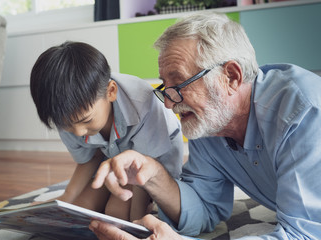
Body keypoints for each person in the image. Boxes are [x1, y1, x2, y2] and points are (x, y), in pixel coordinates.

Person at [89, 11, 321, 239]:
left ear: (231, 76)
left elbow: (305, 235)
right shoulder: (211, 123)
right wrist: (154, 175)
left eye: (179, 84)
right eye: (165, 88)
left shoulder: (303, 112)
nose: (169, 104)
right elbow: (204, 209)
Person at [29, 41, 183, 221]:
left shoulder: (143, 104)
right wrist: (66, 199)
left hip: (152, 162)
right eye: (66, 126)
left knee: (116, 213)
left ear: (111, 92)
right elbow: (90, 158)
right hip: (113, 159)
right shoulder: (65, 112)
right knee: (81, 208)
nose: (78, 133)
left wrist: (137, 222)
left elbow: (144, 169)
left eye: (85, 120)